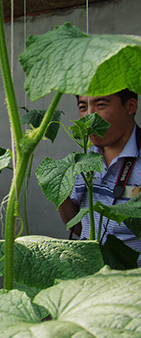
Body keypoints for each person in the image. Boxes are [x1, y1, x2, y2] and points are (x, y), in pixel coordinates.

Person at [59, 90, 141, 259]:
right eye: (83, 107)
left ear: (131, 106)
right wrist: (58, 190)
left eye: (101, 105)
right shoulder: (83, 159)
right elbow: (78, 226)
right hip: (90, 275)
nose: (89, 116)